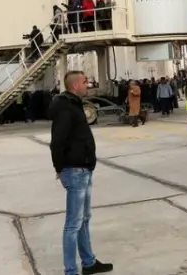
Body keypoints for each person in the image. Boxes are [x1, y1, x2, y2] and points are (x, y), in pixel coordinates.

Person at [49, 71, 113, 275]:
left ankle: (88, 262)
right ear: (75, 85)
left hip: (83, 168)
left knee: (84, 218)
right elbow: (57, 141)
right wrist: (59, 168)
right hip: (75, 169)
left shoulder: (73, 104)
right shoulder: (66, 108)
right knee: (73, 224)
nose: (88, 84)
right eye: (85, 82)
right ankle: (70, 271)